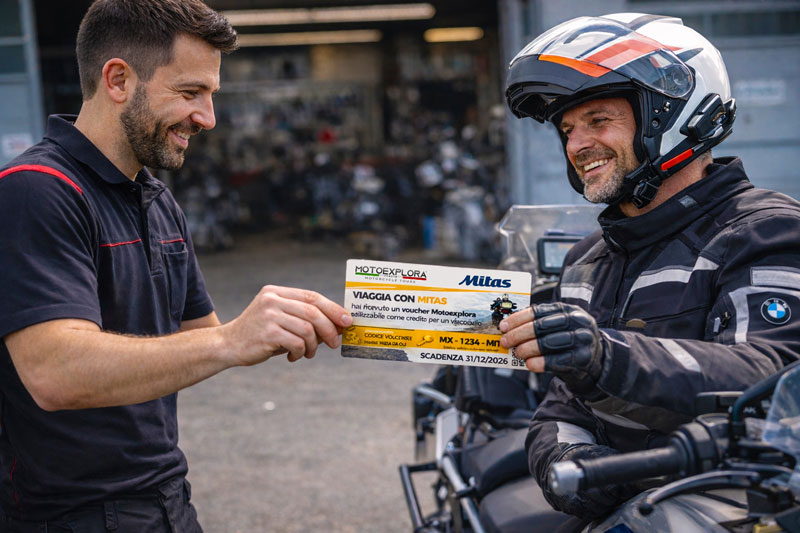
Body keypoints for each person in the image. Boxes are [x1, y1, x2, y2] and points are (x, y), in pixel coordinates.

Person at [0, 1, 351, 530]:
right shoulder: (36, 190)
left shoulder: (157, 200)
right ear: (119, 80)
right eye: (190, 93)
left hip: (165, 501)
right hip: (68, 516)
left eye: (211, 95)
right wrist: (231, 340)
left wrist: (324, 318)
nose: (207, 118)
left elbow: (201, 338)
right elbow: (55, 373)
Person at [499, 12, 800, 528]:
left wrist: (603, 354)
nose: (576, 145)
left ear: (676, 115)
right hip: (627, 506)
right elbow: (561, 410)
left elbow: (773, 377)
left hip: (739, 504)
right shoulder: (586, 260)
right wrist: (576, 466)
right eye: (568, 130)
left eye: (598, 121)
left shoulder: (765, 232)